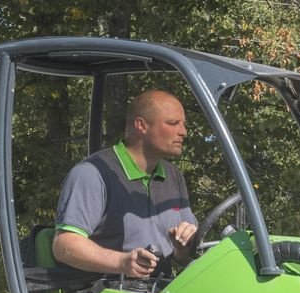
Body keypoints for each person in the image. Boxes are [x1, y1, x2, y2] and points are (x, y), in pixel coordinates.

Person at [52, 88, 199, 280]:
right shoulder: (93, 173)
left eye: (183, 124)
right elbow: (64, 245)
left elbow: (184, 257)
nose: (183, 132)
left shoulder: (174, 176)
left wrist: (183, 248)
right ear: (141, 125)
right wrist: (122, 263)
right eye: (173, 123)